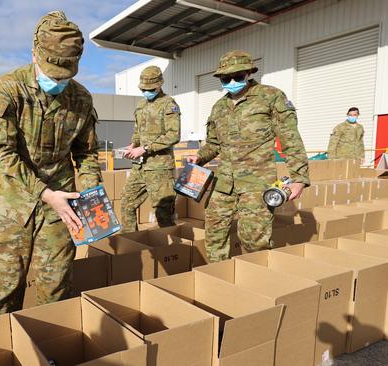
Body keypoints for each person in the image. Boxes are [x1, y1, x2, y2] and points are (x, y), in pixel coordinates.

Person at [0, 11, 101, 315]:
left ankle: (49, 348)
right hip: (16, 203)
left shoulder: (81, 99)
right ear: (34, 53)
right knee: (4, 288)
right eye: (51, 72)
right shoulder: (9, 89)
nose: (57, 81)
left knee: (56, 286)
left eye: (65, 75)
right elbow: (2, 154)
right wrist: (48, 195)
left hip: (61, 204)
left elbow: (86, 155)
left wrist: (90, 198)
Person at [187, 50, 310, 262]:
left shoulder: (270, 97)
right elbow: (214, 144)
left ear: (249, 73)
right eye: (226, 78)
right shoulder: (219, 107)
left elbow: (290, 139)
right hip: (224, 182)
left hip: (256, 182)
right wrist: (199, 157)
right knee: (214, 232)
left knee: (254, 239)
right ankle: (218, 277)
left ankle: (256, 283)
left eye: (238, 76)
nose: (232, 81)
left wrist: (299, 178)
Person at [120, 65, 180, 233]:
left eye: (150, 89)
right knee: (126, 203)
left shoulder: (169, 104)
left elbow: (173, 135)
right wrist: (133, 145)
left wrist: (145, 148)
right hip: (140, 166)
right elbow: (137, 131)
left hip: (160, 169)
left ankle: (171, 252)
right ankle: (131, 244)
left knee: (163, 214)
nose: (147, 92)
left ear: (160, 84)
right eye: (144, 89)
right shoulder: (140, 106)